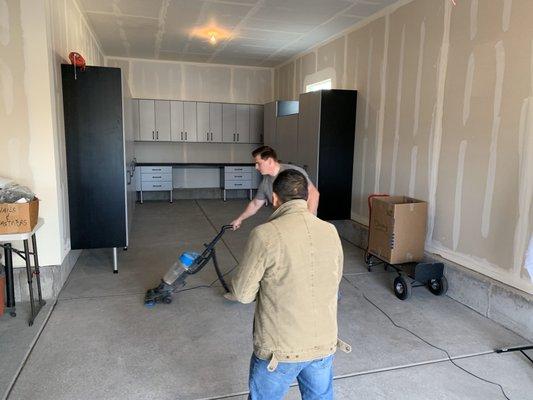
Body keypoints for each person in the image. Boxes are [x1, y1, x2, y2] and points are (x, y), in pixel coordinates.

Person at [228, 169, 351, 400]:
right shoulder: (330, 231)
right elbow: (334, 280)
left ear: (275, 199)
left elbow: (243, 294)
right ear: (306, 197)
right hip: (323, 344)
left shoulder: (265, 234)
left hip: (279, 350)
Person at [230, 146, 320, 230]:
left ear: (269, 161)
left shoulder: (293, 172)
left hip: (303, 222)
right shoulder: (265, 183)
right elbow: (255, 204)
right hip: (285, 223)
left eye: (258, 163)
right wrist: (239, 219)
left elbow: (314, 194)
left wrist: (309, 220)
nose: (256, 167)